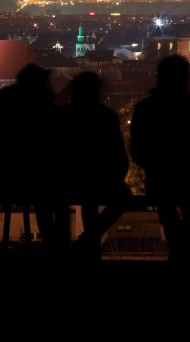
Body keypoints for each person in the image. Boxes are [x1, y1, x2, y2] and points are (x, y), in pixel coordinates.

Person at [0, 63, 70, 257]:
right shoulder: (50, 113)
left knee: (47, 195)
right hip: (47, 181)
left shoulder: (2, 113)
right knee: (54, 199)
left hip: (12, 181)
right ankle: (61, 254)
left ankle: (57, 253)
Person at [129, 55, 190, 262]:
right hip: (189, 179)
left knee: (166, 210)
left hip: (159, 179)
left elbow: (137, 148)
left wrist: (154, 166)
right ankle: (182, 254)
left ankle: (178, 254)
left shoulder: (145, 109)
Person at [60, 71, 131, 260]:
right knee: (122, 196)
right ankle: (89, 242)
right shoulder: (107, 117)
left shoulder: (64, 115)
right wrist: (116, 178)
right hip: (101, 181)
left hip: (67, 182)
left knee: (83, 199)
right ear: (97, 91)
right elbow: (119, 154)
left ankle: (71, 248)